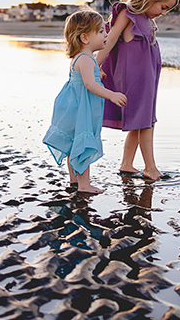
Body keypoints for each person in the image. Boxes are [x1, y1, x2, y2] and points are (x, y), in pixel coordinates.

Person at [96, 0, 178, 181]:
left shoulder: (147, 20)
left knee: (142, 121)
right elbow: (111, 39)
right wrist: (94, 64)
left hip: (149, 78)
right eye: (163, 7)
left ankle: (127, 164)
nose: (163, 13)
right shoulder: (128, 12)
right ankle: (150, 167)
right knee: (146, 122)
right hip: (135, 79)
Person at [43, 10, 127, 194]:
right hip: (82, 108)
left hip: (73, 105)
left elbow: (87, 78)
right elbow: (89, 84)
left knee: (74, 144)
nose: (106, 34)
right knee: (83, 145)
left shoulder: (80, 58)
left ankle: (74, 181)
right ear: (85, 38)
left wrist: (99, 74)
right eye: (100, 32)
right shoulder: (87, 59)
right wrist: (111, 94)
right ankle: (84, 185)